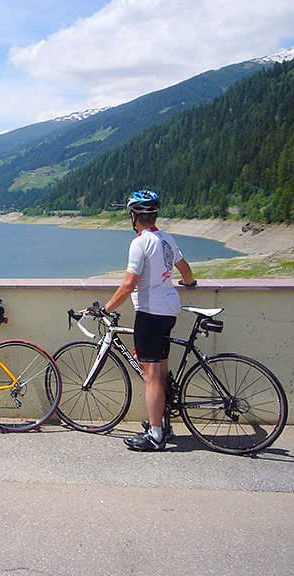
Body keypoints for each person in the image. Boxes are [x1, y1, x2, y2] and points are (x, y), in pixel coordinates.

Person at [92, 190, 196, 451]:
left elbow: (128, 286)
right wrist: (189, 284)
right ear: (154, 215)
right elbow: (185, 271)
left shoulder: (140, 243)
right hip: (170, 309)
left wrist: (105, 309)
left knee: (150, 377)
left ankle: (156, 435)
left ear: (134, 216)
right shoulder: (167, 238)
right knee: (159, 372)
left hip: (150, 314)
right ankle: (162, 424)